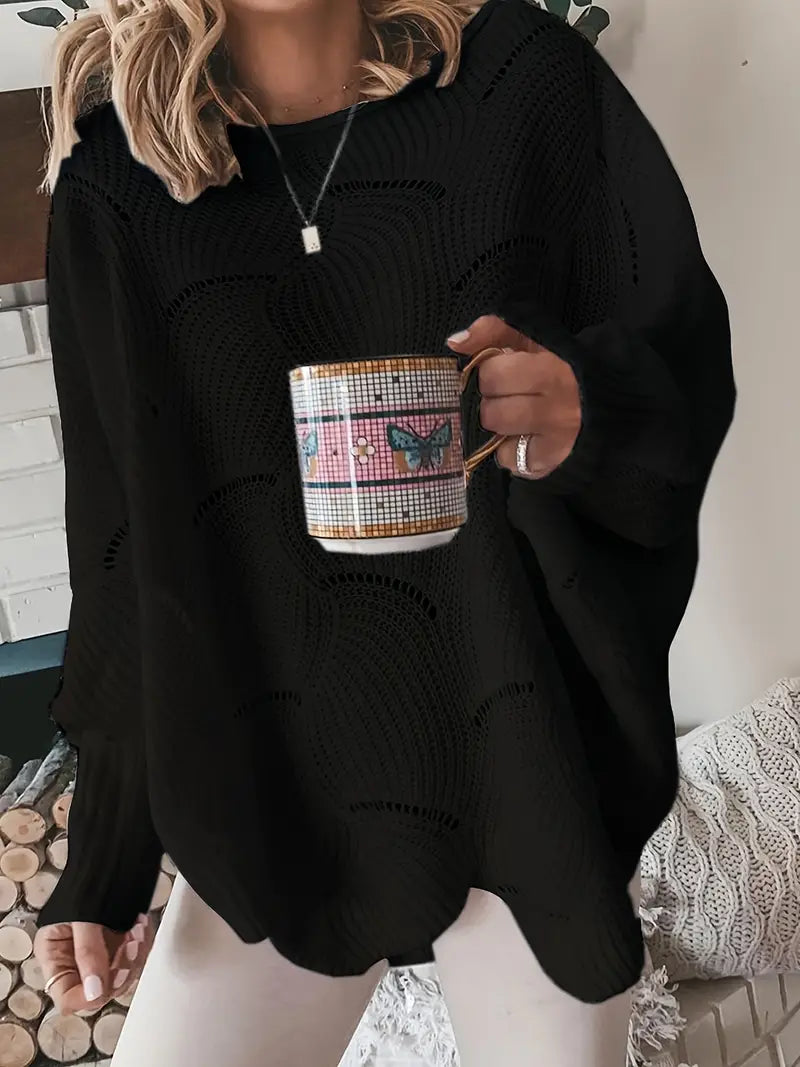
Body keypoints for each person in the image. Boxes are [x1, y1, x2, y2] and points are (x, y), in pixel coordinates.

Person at [32, 0, 735, 1062]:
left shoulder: (523, 84)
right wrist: (106, 854)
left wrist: (587, 410)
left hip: (527, 762)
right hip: (277, 785)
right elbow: (120, 547)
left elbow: (680, 366)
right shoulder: (118, 177)